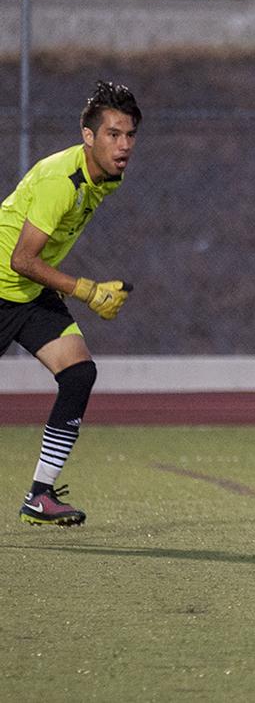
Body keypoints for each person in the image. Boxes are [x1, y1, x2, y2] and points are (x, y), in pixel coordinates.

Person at [1, 80, 140, 526]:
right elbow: (22, 258)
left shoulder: (109, 178)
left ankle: (39, 496)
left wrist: (65, 284)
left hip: (27, 295)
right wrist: (85, 289)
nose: (123, 145)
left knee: (79, 374)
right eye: (113, 134)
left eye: (130, 135)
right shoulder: (62, 179)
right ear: (88, 137)